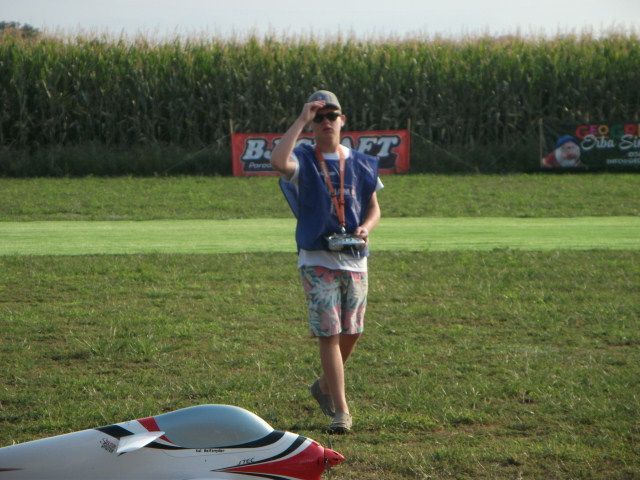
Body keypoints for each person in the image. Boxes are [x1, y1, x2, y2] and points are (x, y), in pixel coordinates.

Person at [270, 90, 382, 434]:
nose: (325, 122)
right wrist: (300, 120)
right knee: (329, 332)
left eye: (331, 115)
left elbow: (373, 207)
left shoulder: (360, 162)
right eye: (318, 117)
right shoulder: (303, 159)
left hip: (354, 258)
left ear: (342, 120)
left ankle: (322, 385)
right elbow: (278, 161)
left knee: (353, 331)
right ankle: (341, 411)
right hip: (316, 258)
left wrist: (366, 228)